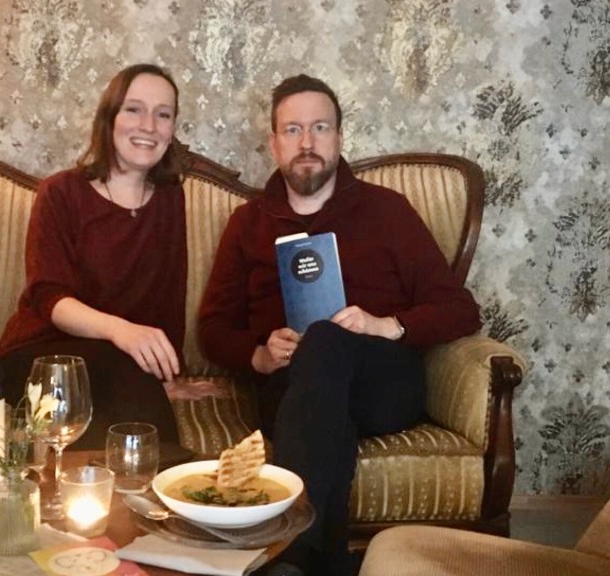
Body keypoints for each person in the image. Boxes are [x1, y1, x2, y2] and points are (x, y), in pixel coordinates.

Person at [197, 74, 482, 575]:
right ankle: (322, 561)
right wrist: (259, 354)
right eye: (293, 130)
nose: (307, 142)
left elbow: (460, 309)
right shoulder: (248, 224)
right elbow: (213, 328)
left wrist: (385, 325)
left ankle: (291, 554)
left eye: (320, 127)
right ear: (274, 143)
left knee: (327, 340)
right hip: (289, 387)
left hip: (383, 383)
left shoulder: (387, 211)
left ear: (340, 137)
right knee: (325, 415)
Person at [0, 64, 186, 449]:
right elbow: (49, 297)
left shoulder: (170, 196)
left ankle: (158, 480)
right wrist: (122, 332)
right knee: (118, 376)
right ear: (109, 117)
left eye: (163, 114)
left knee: (127, 387)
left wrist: (166, 372)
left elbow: (169, 294)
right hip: (39, 356)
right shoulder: (60, 192)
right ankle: (157, 476)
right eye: (134, 109)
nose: (149, 125)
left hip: (121, 365)